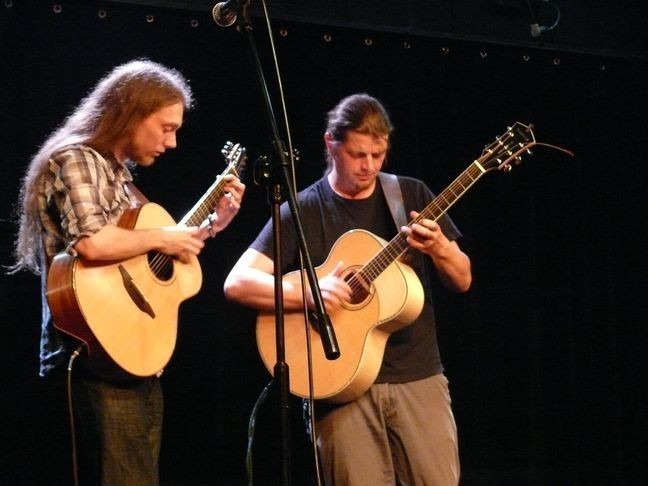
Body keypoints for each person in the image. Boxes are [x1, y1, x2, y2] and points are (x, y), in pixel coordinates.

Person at [11, 59, 245, 485]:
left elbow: (140, 263)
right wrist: (163, 238)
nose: (172, 142)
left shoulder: (121, 179)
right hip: (91, 356)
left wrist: (212, 226)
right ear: (131, 114)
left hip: (131, 357)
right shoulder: (76, 160)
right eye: (166, 127)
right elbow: (92, 242)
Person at [224, 93, 471, 485]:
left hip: (418, 378)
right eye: (358, 154)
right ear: (330, 144)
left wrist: (441, 247)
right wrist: (309, 292)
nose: (369, 166)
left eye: (378, 154)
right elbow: (237, 283)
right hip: (339, 387)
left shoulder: (409, 196)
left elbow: (462, 279)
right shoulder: (302, 211)